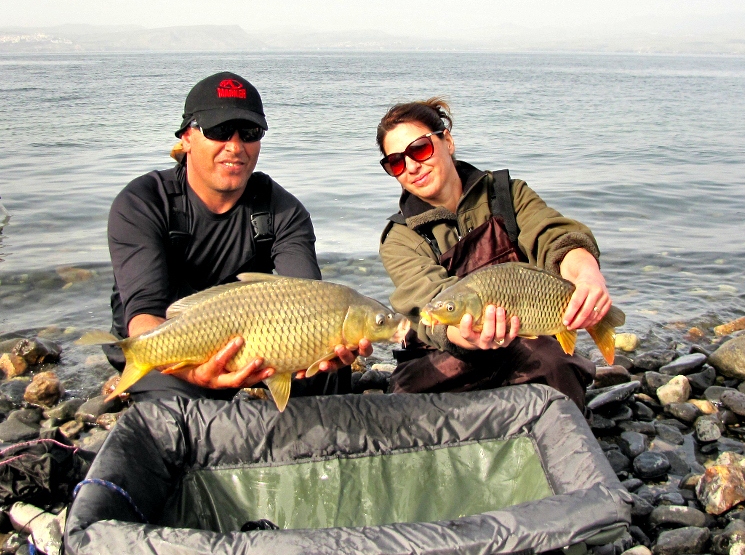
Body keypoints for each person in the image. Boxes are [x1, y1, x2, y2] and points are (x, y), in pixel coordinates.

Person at [107, 71, 370, 402]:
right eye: (218, 131)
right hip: (165, 341)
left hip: (253, 343)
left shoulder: (283, 211)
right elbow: (143, 314)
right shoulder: (142, 203)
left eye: (249, 132)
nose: (235, 146)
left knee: (328, 375)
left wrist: (326, 347)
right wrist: (194, 373)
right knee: (187, 412)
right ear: (187, 137)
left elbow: (311, 302)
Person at [377, 97, 611, 411]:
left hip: (525, 341)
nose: (411, 166)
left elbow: (551, 234)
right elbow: (429, 305)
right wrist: (463, 336)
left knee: (555, 364)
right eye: (396, 162)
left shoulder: (507, 195)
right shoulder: (400, 238)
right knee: (405, 403)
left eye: (419, 149)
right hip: (445, 353)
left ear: (447, 140)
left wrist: (585, 274)